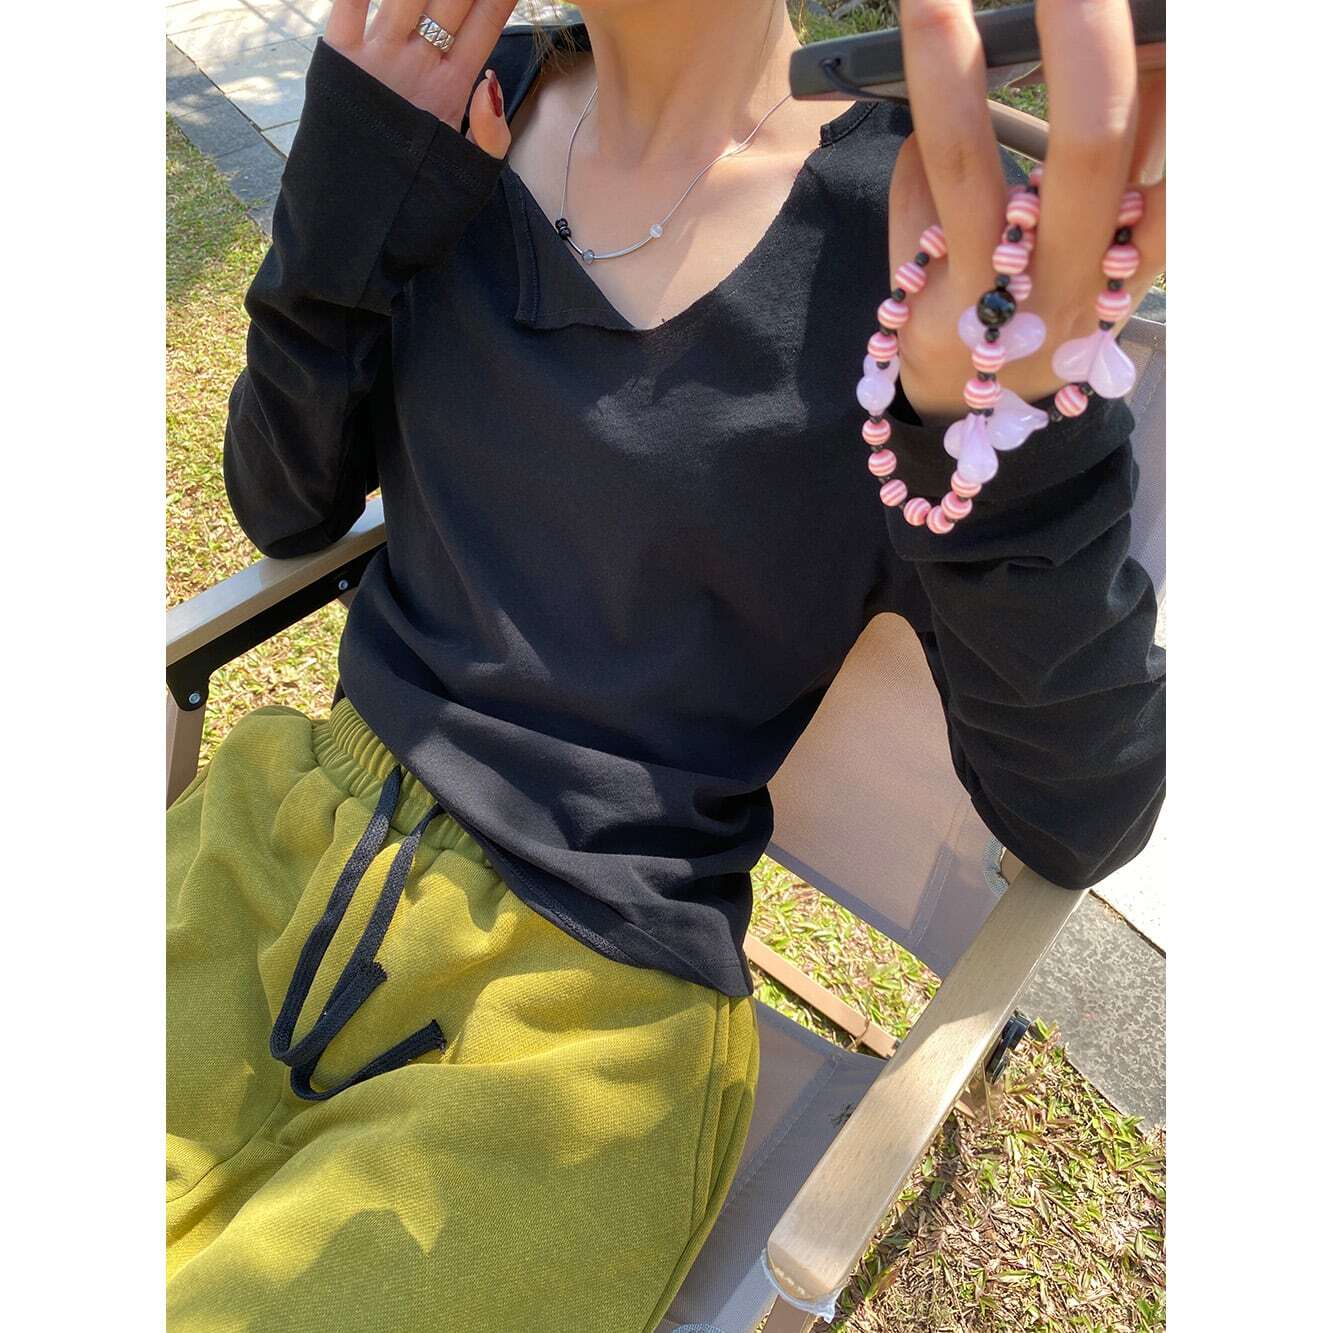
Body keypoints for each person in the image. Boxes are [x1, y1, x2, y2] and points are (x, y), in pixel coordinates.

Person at [165, 0, 1166, 1328]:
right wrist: (352, 170)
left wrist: (1003, 433)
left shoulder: (912, 243)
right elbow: (286, 505)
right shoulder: (460, 92)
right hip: (270, 850)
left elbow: (1078, 813)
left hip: (580, 1024)